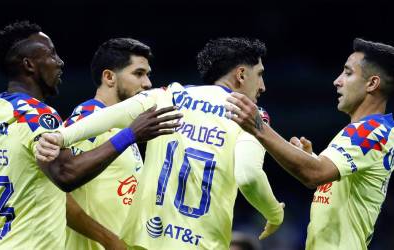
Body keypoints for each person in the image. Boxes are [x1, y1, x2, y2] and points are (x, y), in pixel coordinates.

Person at [36, 37, 285, 249]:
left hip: (147, 241)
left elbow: (113, 115)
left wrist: (60, 136)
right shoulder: (251, 117)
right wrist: (274, 213)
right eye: (260, 75)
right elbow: (249, 176)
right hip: (201, 242)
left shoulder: (169, 95)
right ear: (241, 74)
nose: (262, 86)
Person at [0, 21, 178, 249]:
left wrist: (14, 166)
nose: (60, 62)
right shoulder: (39, 116)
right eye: (51, 54)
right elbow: (66, 174)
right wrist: (129, 135)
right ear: (29, 65)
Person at [225, 38, 394, 249]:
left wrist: (258, 127)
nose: (337, 81)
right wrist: (310, 158)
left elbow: (313, 174)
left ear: (372, 83)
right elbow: (333, 180)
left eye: (348, 73)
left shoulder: (369, 132)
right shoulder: (369, 131)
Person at [64, 38, 153, 250]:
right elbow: (59, 193)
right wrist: (109, 241)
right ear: (109, 77)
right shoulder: (87, 118)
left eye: (148, 74)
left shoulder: (125, 127)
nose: (148, 83)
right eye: (138, 73)